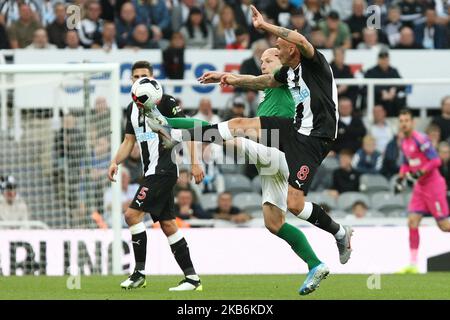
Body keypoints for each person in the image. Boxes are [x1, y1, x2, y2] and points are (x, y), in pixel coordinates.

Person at [148, 6, 354, 294]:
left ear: (291, 50)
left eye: (273, 53)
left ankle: (169, 124)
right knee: (276, 220)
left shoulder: (311, 62)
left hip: (298, 142)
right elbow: (264, 81)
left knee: (232, 129)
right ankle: (321, 257)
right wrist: (230, 77)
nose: (269, 57)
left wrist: (265, 25)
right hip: (291, 138)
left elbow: (298, 39)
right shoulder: (281, 80)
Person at [107, 61, 204, 291]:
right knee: (169, 225)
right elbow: (128, 141)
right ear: (131, 80)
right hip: (150, 171)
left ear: (152, 79)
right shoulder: (131, 109)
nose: (140, 79)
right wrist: (114, 161)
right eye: (136, 76)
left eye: (144, 75)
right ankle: (192, 278)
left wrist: (195, 163)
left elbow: (188, 130)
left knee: (131, 215)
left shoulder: (166, 101)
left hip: (164, 170)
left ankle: (139, 273)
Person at [395, 109, 450, 274]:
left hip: (433, 185)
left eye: (406, 120)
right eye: (401, 120)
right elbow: (406, 162)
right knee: (412, 221)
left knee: (444, 226)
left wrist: (419, 172)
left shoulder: (421, 139)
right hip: (420, 187)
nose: (404, 123)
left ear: (413, 122)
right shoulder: (404, 142)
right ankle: (413, 264)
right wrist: (401, 177)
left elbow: (436, 160)